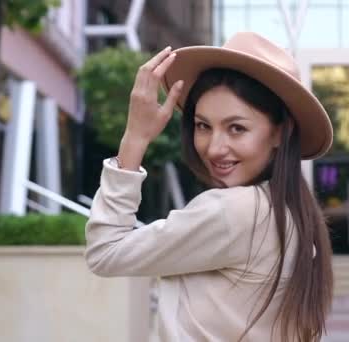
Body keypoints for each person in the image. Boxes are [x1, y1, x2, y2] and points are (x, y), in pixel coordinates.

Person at [85, 32, 334, 342]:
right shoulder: (291, 212)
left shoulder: (235, 211)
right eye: (203, 126)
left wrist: (135, 138)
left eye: (236, 128)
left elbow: (105, 252)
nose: (215, 148)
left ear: (280, 133)